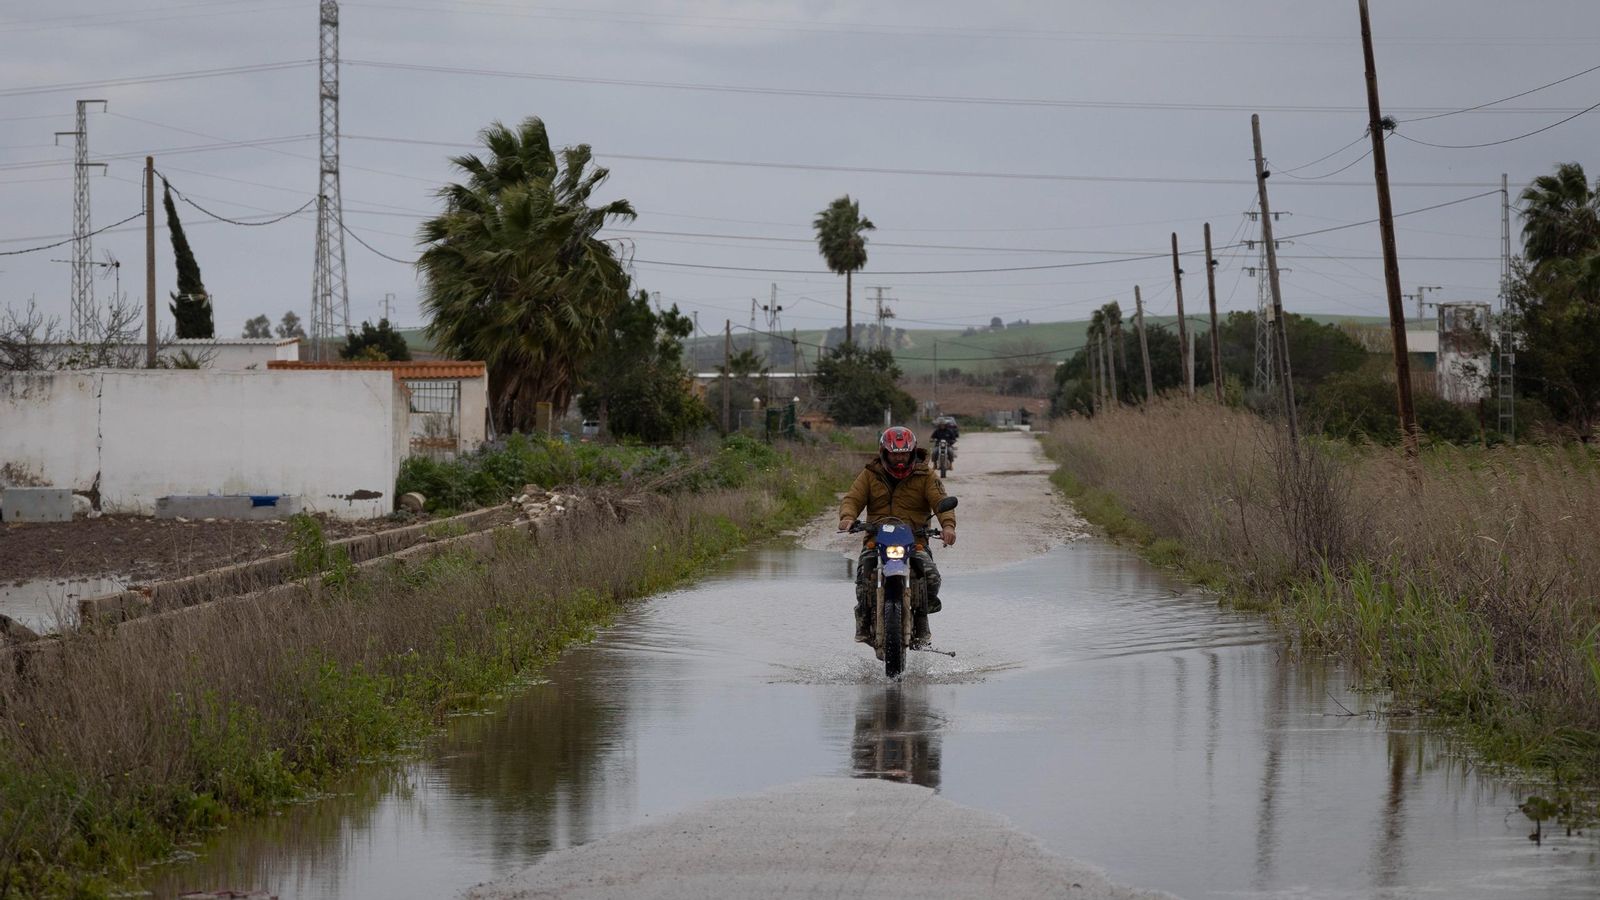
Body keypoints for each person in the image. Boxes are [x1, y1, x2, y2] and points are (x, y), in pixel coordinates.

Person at [838, 426, 956, 648]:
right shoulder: (870, 474)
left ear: (912, 453)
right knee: (863, 576)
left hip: (915, 540)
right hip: (876, 540)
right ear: (884, 453)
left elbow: (941, 502)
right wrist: (848, 518)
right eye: (895, 454)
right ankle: (863, 621)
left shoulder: (926, 475)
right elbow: (852, 498)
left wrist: (948, 526)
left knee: (931, 578)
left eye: (904, 454)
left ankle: (921, 620)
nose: (900, 459)